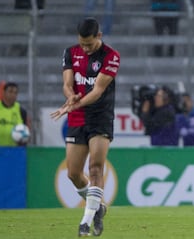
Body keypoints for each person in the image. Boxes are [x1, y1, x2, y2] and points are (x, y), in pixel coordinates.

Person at [50, 17, 120, 236]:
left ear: (99, 36)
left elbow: (98, 91)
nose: (85, 49)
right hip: (78, 116)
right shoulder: (71, 52)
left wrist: (71, 106)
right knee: (73, 173)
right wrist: (71, 98)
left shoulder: (111, 56)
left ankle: (85, 222)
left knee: (96, 168)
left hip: (100, 116)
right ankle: (97, 206)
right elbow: (67, 84)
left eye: (89, 44)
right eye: (82, 44)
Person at [0, 82, 31, 149]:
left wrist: (25, 141)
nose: (13, 94)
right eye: (10, 91)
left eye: (15, 93)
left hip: (15, 151)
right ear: (4, 93)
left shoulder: (21, 111)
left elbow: (26, 131)